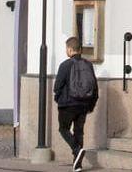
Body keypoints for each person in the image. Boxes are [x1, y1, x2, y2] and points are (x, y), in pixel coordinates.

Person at [53, 36, 97, 171]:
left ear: (70, 49)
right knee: (79, 132)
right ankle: (77, 164)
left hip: (67, 104)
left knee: (63, 129)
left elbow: (57, 86)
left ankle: (77, 150)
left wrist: (58, 99)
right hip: (83, 104)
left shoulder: (65, 65)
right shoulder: (88, 65)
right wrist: (91, 105)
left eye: (67, 48)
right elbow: (95, 87)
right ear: (80, 49)